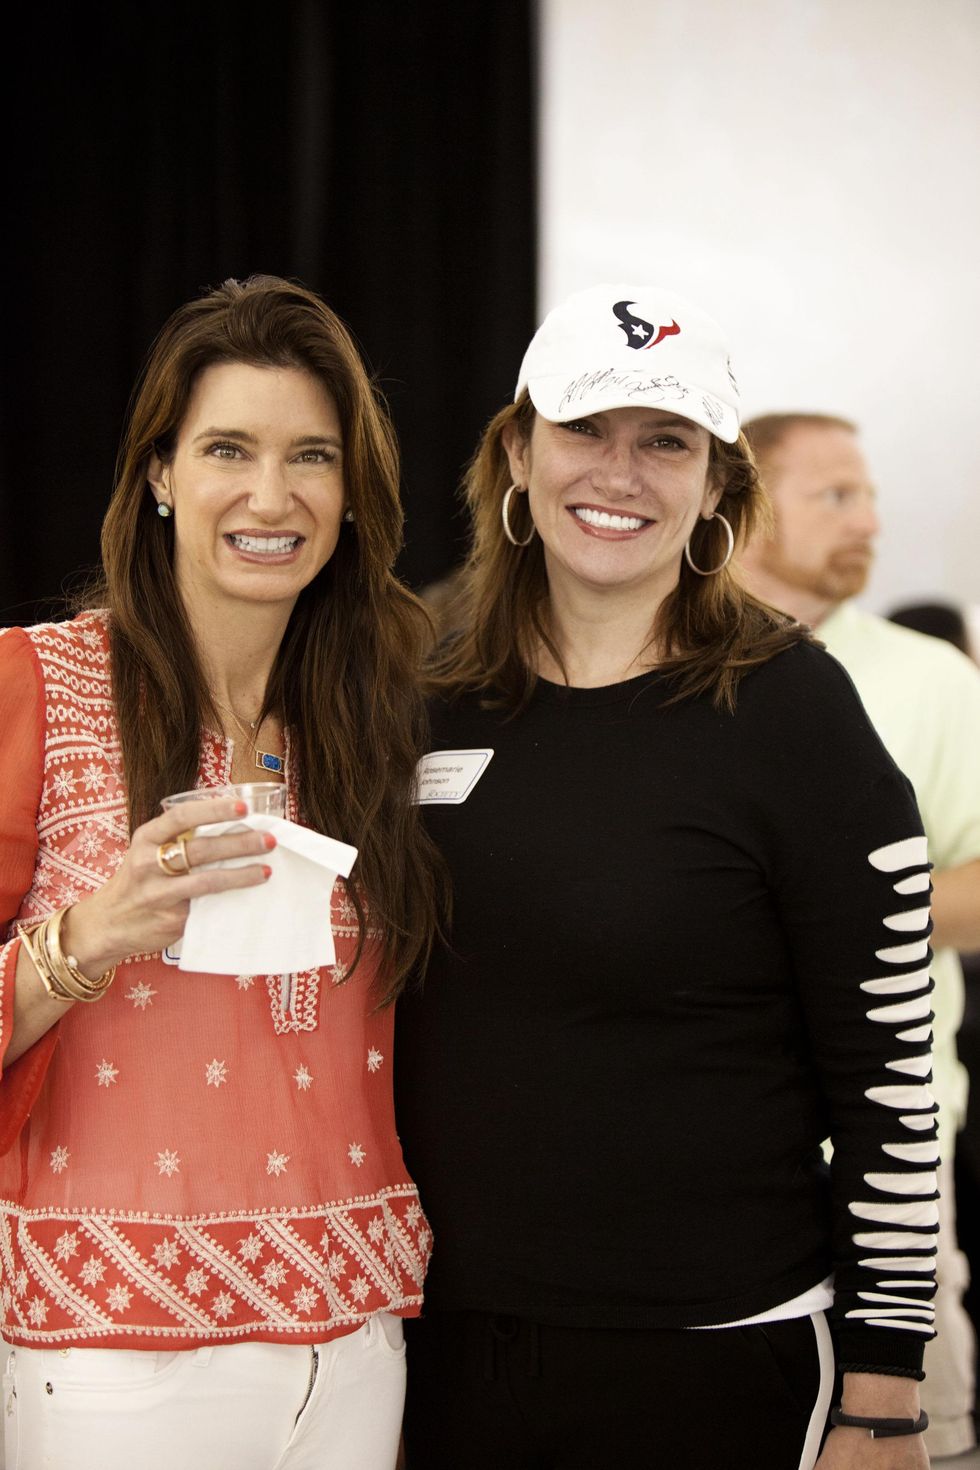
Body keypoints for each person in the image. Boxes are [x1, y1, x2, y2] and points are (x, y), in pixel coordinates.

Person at [394, 285, 938, 1470]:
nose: (619, 472)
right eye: (586, 429)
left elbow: (888, 1078)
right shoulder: (427, 691)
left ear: (714, 489)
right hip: (433, 1346)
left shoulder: (793, 713)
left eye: (666, 441)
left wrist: (885, 1387)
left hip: (712, 1353)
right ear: (517, 451)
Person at [0, 275, 442, 1470]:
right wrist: (88, 935)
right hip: (112, 1359)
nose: (270, 494)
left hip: (353, 1344)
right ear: (156, 475)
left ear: (351, 497)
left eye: (311, 456)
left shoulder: (381, 721)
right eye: (226, 450)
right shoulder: (34, 685)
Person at [740, 413, 980, 1461]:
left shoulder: (932, 677)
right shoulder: (662, 667)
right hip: (715, 1159)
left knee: (918, 1440)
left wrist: (818, 908)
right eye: (832, 496)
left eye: (867, 495)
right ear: (742, 506)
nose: (868, 521)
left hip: (894, 1148)